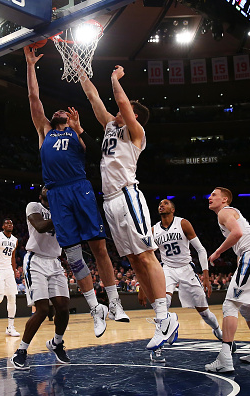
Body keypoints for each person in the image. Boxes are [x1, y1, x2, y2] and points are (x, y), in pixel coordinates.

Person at [23, 47, 129, 339]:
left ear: (70, 120)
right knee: (72, 254)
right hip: (57, 194)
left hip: (80, 188)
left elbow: (96, 153)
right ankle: (95, 307)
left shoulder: (77, 134)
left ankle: (115, 301)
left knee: (99, 247)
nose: (59, 111)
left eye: (64, 113)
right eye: (57, 112)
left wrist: (81, 130)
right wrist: (31, 65)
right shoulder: (45, 130)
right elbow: (34, 97)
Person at [80, 65, 178, 350]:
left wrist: (113, 79)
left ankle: (165, 316)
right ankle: (162, 318)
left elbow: (121, 101)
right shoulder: (112, 126)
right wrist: (80, 70)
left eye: (125, 109)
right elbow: (92, 97)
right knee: (134, 261)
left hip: (127, 195)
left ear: (134, 116)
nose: (118, 110)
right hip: (109, 201)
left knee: (146, 256)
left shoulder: (137, 132)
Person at [205, 187, 250, 373]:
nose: (209, 197)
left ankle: (225, 357)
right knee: (246, 307)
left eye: (214, 195)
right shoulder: (233, 213)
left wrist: (217, 253)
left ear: (225, 199)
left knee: (230, 305)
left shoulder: (224, 212)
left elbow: (237, 233)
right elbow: (240, 240)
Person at [142, 199, 223, 363]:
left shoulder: (183, 223)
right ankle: (159, 349)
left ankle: (218, 331)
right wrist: (143, 287)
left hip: (187, 269)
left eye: (165, 203)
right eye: (159, 204)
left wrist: (206, 275)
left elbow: (200, 249)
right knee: (162, 304)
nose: (161, 205)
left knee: (204, 313)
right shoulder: (153, 230)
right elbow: (146, 258)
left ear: (173, 209)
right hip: (167, 269)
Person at [12, 187, 71, 369]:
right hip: (35, 260)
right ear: (40, 195)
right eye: (44, 187)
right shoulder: (34, 206)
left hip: (54, 260)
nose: (48, 188)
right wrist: (63, 214)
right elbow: (40, 226)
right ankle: (21, 350)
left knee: (63, 308)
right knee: (43, 309)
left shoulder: (60, 210)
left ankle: (56, 343)